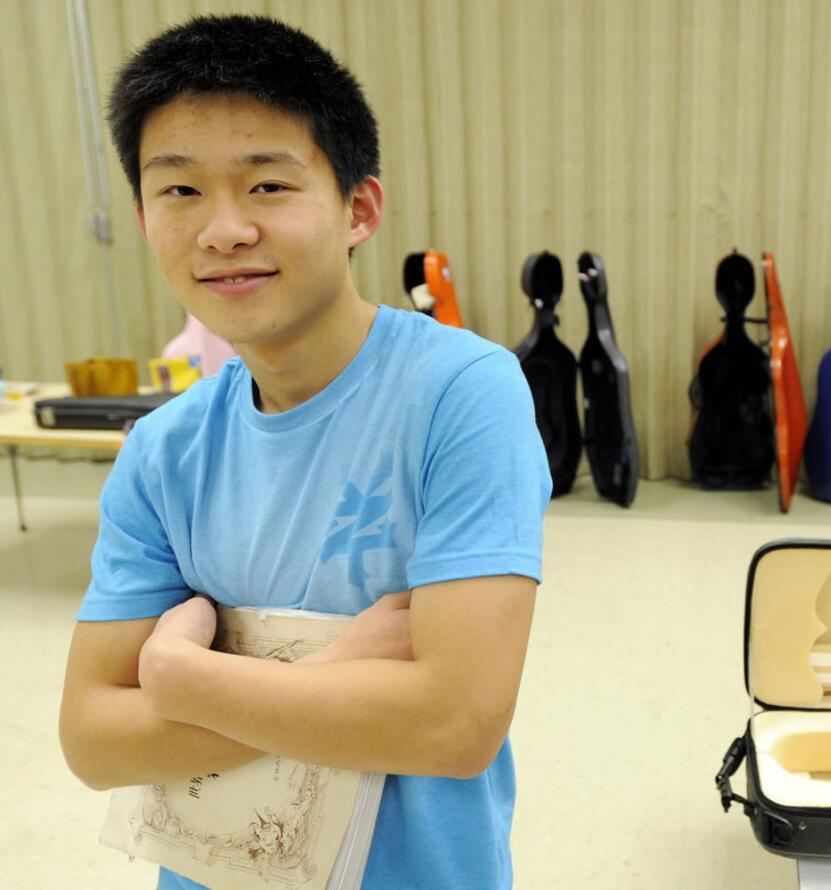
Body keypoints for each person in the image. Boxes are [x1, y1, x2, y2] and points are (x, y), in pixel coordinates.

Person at [57, 14, 550, 890]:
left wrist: (177, 677)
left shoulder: (461, 391)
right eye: (180, 192)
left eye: (269, 187)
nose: (223, 230)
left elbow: (453, 725)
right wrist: (337, 673)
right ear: (141, 216)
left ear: (358, 208)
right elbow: (93, 742)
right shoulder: (162, 451)